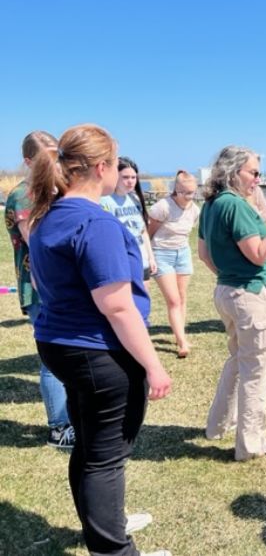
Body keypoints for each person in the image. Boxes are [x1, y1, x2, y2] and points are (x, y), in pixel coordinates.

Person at [28, 123, 172, 556]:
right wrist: (154, 364)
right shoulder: (94, 222)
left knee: (90, 446)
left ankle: (103, 528)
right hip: (96, 349)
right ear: (102, 167)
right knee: (105, 457)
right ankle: (112, 548)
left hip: (60, 344)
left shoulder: (47, 216)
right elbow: (117, 306)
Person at [198, 145, 266, 460]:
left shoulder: (211, 204)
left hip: (227, 292)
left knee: (238, 361)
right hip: (251, 296)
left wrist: (230, 276)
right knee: (256, 371)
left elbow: (204, 254)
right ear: (233, 172)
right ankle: (252, 445)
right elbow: (258, 253)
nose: (259, 178)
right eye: (254, 173)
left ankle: (218, 425)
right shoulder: (237, 206)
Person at [4, 131, 74, 449]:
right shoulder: (23, 195)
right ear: (29, 161)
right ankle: (58, 427)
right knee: (52, 358)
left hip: (62, 283)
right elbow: (40, 243)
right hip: (40, 287)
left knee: (70, 354)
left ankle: (71, 419)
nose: (55, 160)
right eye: (48, 154)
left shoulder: (56, 191)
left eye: (56, 153)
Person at [148, 170, 201, 358]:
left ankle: (180, 334)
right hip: (162, 253)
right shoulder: (162, 207)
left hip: (183, 253)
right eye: (184, 192)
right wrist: (150, 256)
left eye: (192, 192)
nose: (188, 196)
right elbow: (149, 233)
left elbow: (188, 231)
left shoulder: (194, 209)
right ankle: (181, 343)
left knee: (182, 296)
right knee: (173, 300)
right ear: (176, 190)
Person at [101, 157, 157, 292]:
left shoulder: (135, 199)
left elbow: (142, 230)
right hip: (121, 262)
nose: (130, 181)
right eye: (125, 177)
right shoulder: (104, 200)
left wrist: (151, 257)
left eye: (133, 177)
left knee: (143, 303)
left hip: (141, 259)